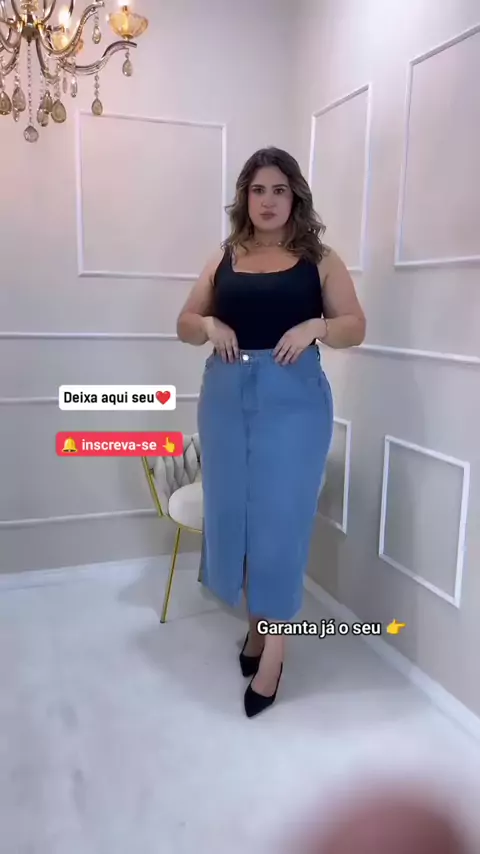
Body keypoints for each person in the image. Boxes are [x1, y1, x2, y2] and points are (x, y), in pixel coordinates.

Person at [176, 147, 366, 718]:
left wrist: (317, 326)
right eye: (257, 190)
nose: (267, 200)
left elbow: (355, 326)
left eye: (278, 189)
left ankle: (275, 652)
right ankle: (258, 631)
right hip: (225, 399)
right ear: (245, 197)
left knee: (280, 523)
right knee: (234, 515)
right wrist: (208, 322)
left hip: (295, 405)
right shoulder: (224, 255)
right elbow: (184, 323)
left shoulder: (320, 258)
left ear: (294, 196)